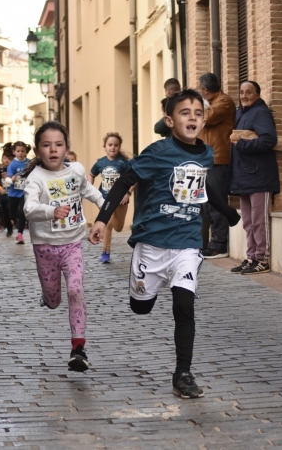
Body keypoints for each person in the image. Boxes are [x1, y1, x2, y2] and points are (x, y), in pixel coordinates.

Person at [89, 89, 241, 398]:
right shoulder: (156, 153)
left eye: (198, 113)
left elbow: (203, 188)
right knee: (140, 307)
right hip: (152, 244)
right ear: (170, 120)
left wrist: (227, 212)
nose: (193, 118)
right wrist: (103, 218)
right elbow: (123, 182)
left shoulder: (207, 154)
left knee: (184, 305)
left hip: (187, 242)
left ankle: (182, 374)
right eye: (185, 113)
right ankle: (144, 289)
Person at [23, 121, 104, 372]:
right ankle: (47, 298)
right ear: (38, 151)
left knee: (76, 290)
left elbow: (91, 192)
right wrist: (51, 211)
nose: (53, 149)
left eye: (58, 144)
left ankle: (78, 348)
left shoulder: (76, 171)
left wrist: (106, 210)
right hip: (45, 248)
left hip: (72, 245)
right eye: (46, 145)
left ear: (67, 148)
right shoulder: (36, 178)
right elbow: (29, 208)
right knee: (55, 299)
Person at [227, 81, 280, 275]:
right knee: (248, 221)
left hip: (260, 176)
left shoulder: (260, 112)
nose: (244, 95)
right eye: (241, 92)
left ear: (257, 94)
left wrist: (241, 145)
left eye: (248, 92)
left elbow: (269, 139)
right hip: (243, 177)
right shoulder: (240, 113)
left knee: (259, 220)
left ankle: (262, 259)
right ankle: (251, 257)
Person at [197, 72, 236, 258]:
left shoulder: (224, 102)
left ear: (205, 90)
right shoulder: (211, 103)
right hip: (205, 161)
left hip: (218, 159)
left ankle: (220, 244)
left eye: (200, 90)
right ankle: (213, 241)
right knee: (206, 204)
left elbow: (207, 118)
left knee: (216, 202)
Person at [89, 132, 131, 263]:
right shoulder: (101, 162)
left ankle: (111, 223)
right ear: (105, 146)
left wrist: (127, 193)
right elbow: (91, 174)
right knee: (106, 225)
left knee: (118, 227)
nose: (113, 147)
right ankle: (105, 252)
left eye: (116, 145)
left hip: (121, 200)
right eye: (110, 145)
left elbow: (133, 180)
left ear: (119, 147)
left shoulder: (123, 163)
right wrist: (91, 189)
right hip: (105, 199)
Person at [6, 141, 31, 244]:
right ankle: (16, 223)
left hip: (24, 192)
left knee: (22, 213)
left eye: (23, 151)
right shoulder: (12, 164)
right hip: (13, 193)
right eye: (18, 151)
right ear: (14, 152)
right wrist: (12, 179)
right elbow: (8, 178)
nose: (20, 153)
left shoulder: (29, 163)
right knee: (12, 214)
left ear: (26, 152)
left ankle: (20, 234)